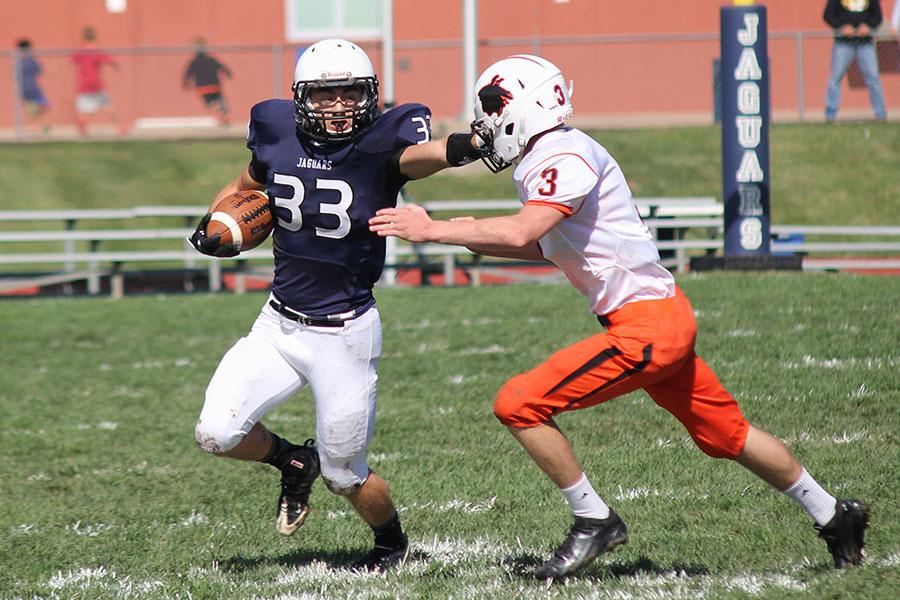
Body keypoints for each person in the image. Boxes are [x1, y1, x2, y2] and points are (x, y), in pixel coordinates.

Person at [369, 54, 870, 580]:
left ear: (527, 104)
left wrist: (436, 229)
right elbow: (548, 248)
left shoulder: (561, 152)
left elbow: (523, 231)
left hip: (647, 327)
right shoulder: (556, 153)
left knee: (518, 403)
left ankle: (594, 520)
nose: (488, 122)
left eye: (494, 106)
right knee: (729, 435)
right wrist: (472, 235)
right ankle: (835, 515)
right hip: (657, 318)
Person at [189, 38, 480, 572]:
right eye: (326, 95)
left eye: (351, 93)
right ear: (302, 98)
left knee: (345, 475)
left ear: (370, 95)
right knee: (215, 432)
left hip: (344, 334)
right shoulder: (276, 132)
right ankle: (293, 461)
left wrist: (464, 146)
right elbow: (243, 185)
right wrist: (215, 223)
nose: (340, 105)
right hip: (277, 325)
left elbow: (420, 157)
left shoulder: (382, 142)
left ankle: (391, 544)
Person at [823, 0, 887, 122]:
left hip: (865, 43)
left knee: (873, 78)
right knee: (835, 79)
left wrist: (868, 26)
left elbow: (877, 17)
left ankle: (881, 114)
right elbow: (828, 15)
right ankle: (830, 115)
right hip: (843, 43)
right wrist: (842, 27)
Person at [69, 26, 124, 136]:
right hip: (97, 84)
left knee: (83, 108)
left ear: (83, 38)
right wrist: (118, 66)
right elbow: (112, 60)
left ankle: (82, 126)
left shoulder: (80, 51)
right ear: (94, 37)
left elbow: (70, 60)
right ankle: (120, 127)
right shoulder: (98, 51)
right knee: (108, 105)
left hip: (84, 84)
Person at [183, 38, 233, 126]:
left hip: (203, 88)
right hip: (214, 86)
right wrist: (228, 73)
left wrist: (186, 83)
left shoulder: (194, 62)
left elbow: (188, 73)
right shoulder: (210, 59)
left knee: (211, 103)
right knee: (220, 101)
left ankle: (217, 109)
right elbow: (221, 67)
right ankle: (222, 113)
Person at [14, 39, 50, 133]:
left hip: (24, 89)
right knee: (43, 106)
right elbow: (40, 71)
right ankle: (42, 124)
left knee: (36, 109)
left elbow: (15, 76)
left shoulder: (18, 62)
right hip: (33, 88)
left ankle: (41, 124)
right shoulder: (31, 60)